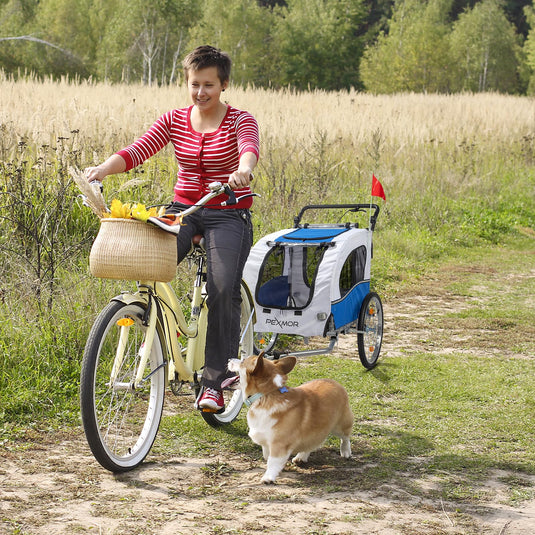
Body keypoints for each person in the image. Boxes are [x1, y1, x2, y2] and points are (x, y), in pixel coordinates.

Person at [85, 45, 259, 412]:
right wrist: (102, 169)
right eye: (194, 84)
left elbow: (249, 148)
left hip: (228, 212)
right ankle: (156, 329)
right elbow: (137, 150)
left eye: (209, 85)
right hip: (185, 211)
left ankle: (216, 379)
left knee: (222, 285)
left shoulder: (240, 120)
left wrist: (243, 170)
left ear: (224, 84)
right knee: (146, 261)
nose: (200, 92)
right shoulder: (174, 119)